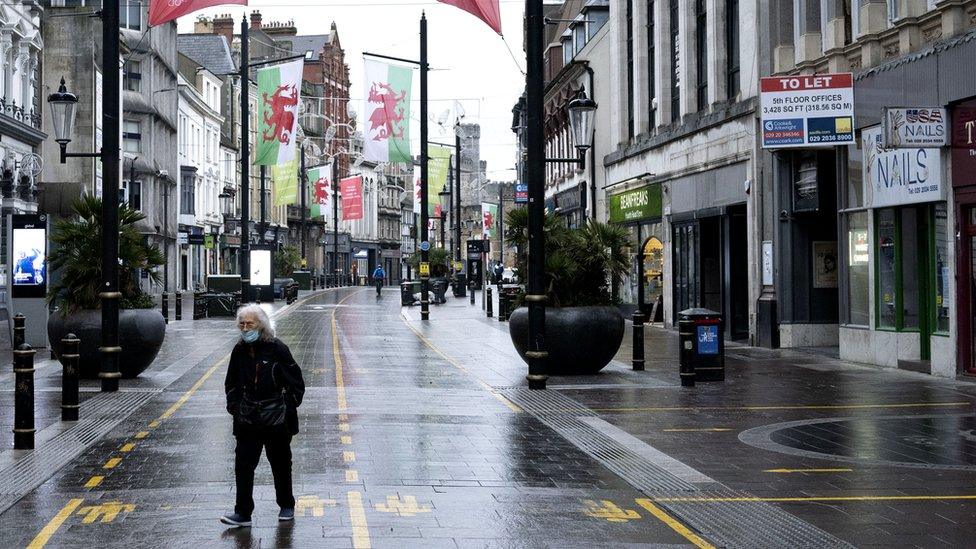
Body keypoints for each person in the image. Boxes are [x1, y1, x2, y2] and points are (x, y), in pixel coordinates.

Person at [221, 305, 305, 528]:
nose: (246, 328)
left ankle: (286, 505)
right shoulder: (239, 351)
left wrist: (287, 407)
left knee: (280, 463)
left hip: (276, 419)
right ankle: (243, 513)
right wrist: (235, 407)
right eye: (242, 324)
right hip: (247, 418)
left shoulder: (277, 349)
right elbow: (231, 382)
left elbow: (296, 383)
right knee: (243, 465)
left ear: (262, 326)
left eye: (250, 324)